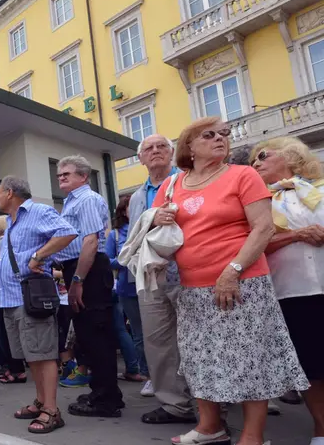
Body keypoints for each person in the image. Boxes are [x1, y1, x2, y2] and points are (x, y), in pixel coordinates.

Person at [153, 117, 308, 445]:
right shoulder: (172, 184)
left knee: (250, 360)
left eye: (223, 134)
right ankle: (210, 427)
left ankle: (252, 436)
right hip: (191, 288)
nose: (220, 139)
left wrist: (232, 270)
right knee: (200, 359)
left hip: (242, 284)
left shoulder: (243, 174)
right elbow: (155, 224)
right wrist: (158, 216)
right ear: (189, 147)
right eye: (208, 135)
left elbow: (263, 228)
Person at [251, 136, 324, 444]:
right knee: (312, 365)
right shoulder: (258, 202)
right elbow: (253, 245)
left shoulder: (320, 191)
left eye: (263, 155)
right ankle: (322, 428)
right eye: (253, 160)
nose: (255, 162)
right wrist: (295, 235)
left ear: (290, 154)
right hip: (290, 290)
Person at [0, 176, 77, 434]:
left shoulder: (37, 210)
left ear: (9, 193)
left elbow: (67, 232)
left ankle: (52, 410)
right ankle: (41, 401)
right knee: (32, 354)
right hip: (11, 298)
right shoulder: (10, 221)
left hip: (29, 297)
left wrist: (39, 256)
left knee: (42, 353)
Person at [126, 133, 197, 423]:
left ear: (172, 153)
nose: (155, 151)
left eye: (161, 147)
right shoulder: (136, 197)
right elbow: (133, 238)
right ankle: (174, 405)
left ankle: (211, 401)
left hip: (188, 272)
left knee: (195, 338)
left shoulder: (188, 181)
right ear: (141, 158)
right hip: (151, 276)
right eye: (148, 149)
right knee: (157, 341)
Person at [53, 156, 124, 418]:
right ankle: (105, 393)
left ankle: (105, 400)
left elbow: (91, 242)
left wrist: (78, 280)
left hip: (89, 270)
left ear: (83, 177)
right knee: (89, 336)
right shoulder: (72, 201)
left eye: (67, 173)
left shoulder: (87, 199)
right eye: (60, 174)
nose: (61, 177)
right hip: (82, 268)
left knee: (96, 336)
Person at [105, 195, 149, 385]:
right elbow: (107, 260)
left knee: (157, 333)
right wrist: (127, 259)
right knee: (138, 333)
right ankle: (146, 374)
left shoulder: (150, 227)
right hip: (127, 289)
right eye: (132, 207)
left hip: (151, 285)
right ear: (124, 212)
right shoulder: (115, 234)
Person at [0, 215, 24, 384]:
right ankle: (18, 368)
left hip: (3, 293)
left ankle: (14, 369)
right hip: (14, 292)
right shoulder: (15, 240)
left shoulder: (0, 242)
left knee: (5, 333)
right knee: (13, 332)